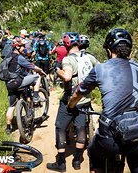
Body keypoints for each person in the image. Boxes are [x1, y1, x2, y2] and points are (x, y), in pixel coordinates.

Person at [67, 28, 138, 173]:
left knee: (94, 152)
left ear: (109, 50)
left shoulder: (100, 69)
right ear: (130, 50)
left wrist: (71, 106)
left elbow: (79, 92)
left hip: (109, 138)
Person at [47, 32, 99, 172]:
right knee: (81, 128)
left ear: (67, 44)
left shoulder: (68, 59)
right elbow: (100, 72)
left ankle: (61, 162)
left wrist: (57, 70)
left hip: (70, 100)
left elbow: (67, 77)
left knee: (60, 127)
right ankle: (77, 161)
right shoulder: (90, 57)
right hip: (85, 100)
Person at [3, 38, 46, 135]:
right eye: (22, 47)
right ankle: (35, 96)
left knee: (11, 107)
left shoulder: (7, 57)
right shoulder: (19, 57)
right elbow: (33, 67)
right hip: (18, 82)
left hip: (9, 84)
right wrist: (41, 71)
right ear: (17, 47)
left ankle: (8, 128)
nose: (24, 48)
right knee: (37, 77)